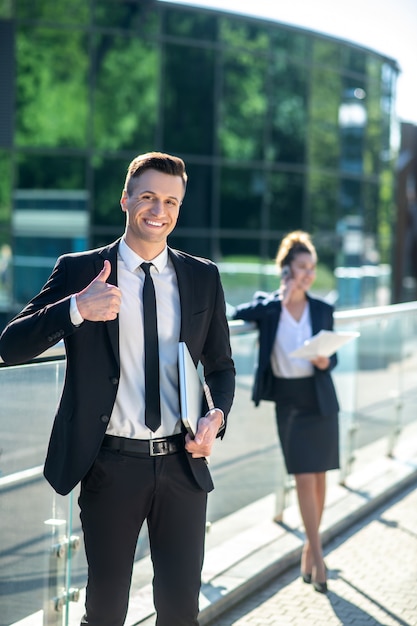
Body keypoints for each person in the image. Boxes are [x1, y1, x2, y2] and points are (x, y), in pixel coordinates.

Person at [0, 152, 235, 625]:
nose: (159, 210)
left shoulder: (201, 276)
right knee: (105, 610)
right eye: (147, 196)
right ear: (125, 199)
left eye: (171, 201)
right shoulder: (79, 270)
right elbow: (10, 346)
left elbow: (222, 366)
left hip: (183, 466)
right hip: (110, 465)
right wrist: (75, 308)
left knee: (180, 609)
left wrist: (218, 416)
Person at [232, 231, 339, 594]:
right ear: (287, 270)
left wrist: (326, 360)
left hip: (319, 399)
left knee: (321, 476)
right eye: (301, 267)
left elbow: (332, 354)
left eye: (312, 267)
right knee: (304, 478)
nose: (308, 274)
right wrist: (282, 297)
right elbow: (234, 314)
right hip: (289, 403)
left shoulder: (322, 309)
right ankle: (319, 556)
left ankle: (310, 549)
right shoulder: (271, 307)